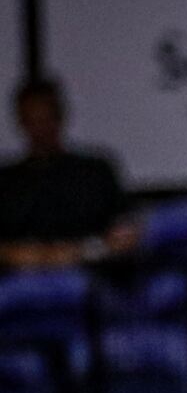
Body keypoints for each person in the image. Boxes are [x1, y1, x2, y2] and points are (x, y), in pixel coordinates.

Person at [0, 77, 127, 266]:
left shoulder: (94, 172)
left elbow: (125, 233)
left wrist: (82, 251)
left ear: (60, 117)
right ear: (21, 122)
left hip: (89, 272)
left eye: (46, 119)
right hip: (21, 278)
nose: (40, 130)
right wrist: (30, 256)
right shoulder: (7, 181)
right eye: (32, 121)